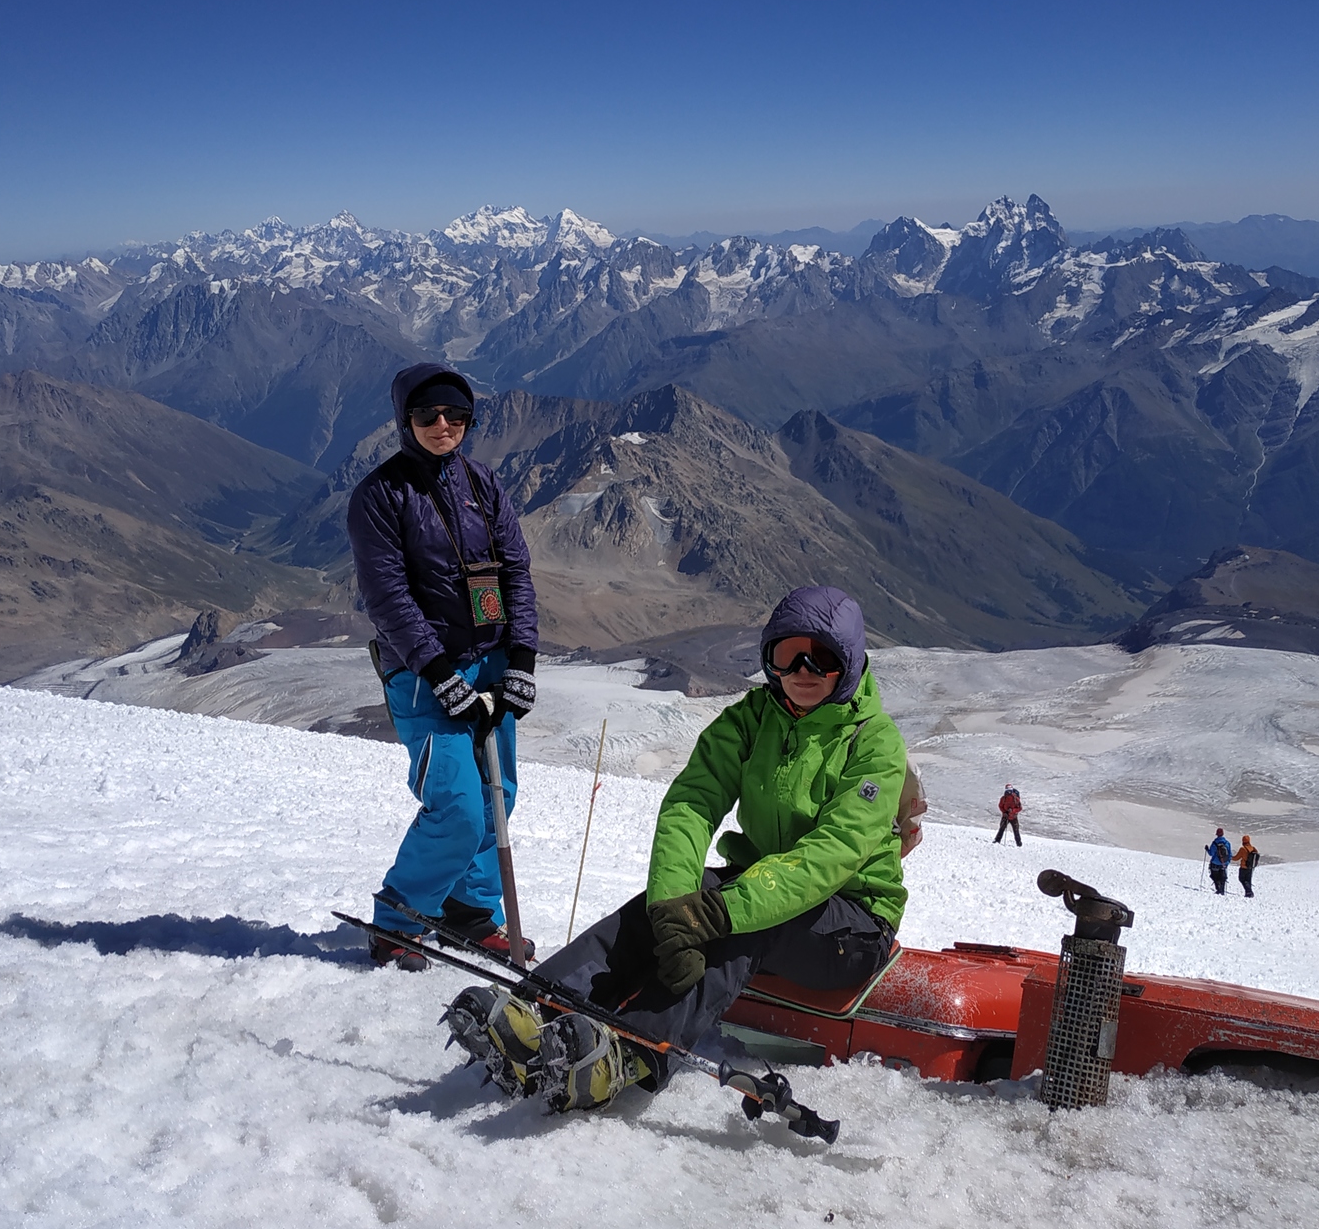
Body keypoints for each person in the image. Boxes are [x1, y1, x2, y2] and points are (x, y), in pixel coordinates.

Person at [446, 585, 907, 1113]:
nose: (803, 668)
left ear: (847, 666)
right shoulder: (752, 720)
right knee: (654, 910)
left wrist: (720, 912)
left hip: (854, 926)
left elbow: (834, 853)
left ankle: (628, 1053)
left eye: (822, 658)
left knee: (741, 927)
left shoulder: (873, 742)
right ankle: (537, 1011)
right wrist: (673, 906)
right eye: (787, 654)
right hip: (759, 889)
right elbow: (692, 803)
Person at [349, 363, 539, 971]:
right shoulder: (380, 496)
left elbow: (516, 575)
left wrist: (523, 660)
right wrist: (438, 674)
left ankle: (470, 914)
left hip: (491, 662)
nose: (442, 424)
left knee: (495, 798)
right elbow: (387, 596)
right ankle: (399, 920)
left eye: (455, 414)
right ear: (405, 418)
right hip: (425, 677)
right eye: (428, 414)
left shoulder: (484, 486)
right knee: (457, 805)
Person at [1206, 827, 1233, 894]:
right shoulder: (1227, 843)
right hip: (1224, 863)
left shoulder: (1214, 843)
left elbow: (1211, 853)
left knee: (1214, 876)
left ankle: (1218, 889)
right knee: (1222, 877)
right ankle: (1222, 890)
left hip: (1215, 863)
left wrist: (1207, 849)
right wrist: (1227, 862)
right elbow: (1230, 854)